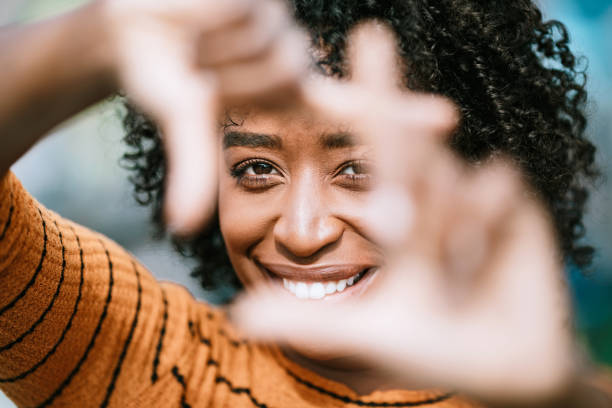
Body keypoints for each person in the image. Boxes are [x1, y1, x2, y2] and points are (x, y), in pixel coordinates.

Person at [0, 1, 609, 408]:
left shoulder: (550, 387)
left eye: (362, 170)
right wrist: (93, 40)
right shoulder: (148, 363)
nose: (302, 230)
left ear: (480, 172)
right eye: (257, 169)